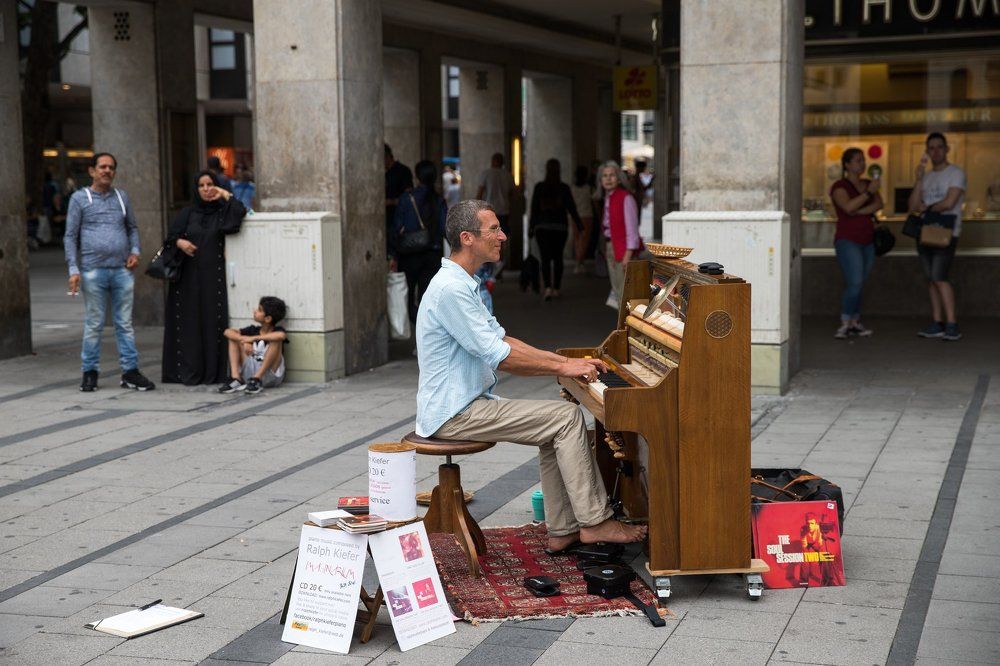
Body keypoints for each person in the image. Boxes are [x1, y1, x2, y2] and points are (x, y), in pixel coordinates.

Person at [415, 199, 647, 553]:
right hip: (454, 413)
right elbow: (502, 357)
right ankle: (596, 522)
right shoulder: (451, 289)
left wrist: (562, 360)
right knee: (567, 418)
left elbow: (503, 338)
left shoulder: (462, 282)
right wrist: (564, 367)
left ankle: (563, 529)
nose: (503, 236)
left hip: (464, 404)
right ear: (467, 238)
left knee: (555, 424)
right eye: (494, 229)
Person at [64, 152, 155, 392]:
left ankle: (130, 372)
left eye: (111, 167)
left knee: (124, 323)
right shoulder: (79, 198)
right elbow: (70, 236)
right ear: (92, 170)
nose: (107, 171)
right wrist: (74, 269)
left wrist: (135, 251)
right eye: (102, 167)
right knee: (94, 323)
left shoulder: (121, 197)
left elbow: (132, 228)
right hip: (93, 271)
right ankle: (90, 372)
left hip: (122, 271)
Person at [162, 171, 247, 385]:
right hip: (187, 280)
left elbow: (239, 214)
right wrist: (180, 243)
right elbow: (170, 239)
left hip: (213, 279)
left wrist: (225, 194)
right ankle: (188, 371)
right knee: (189, 323)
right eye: (202, 185)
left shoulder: (222, 212)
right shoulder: (187, 213)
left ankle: (212, 372)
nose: (206, 189)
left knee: (212, 322)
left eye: (211, 184)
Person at [908, 132, 966, 341]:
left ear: (947, 149)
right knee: (931, 279)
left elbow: (949, 203)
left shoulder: (956, 173)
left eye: (939, 147)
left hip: (946, 233)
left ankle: (952, 324)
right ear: (927, 151)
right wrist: (918, 179)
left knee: (940, 277)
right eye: (931, 148)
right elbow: (913, 206)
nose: (936, 151)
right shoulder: (928, 176)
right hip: (925, 232)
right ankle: (937, 322)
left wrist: (927, 207)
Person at [829, 147, 882, 339]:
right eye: (858, 160)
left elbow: (879, 204)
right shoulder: (839, 187)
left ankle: (855, 321)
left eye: (863, 160)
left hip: (868, 240)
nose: (863, 164)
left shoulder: (867, 183)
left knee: (861, 282)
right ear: (847, 165)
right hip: (847, 240)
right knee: (855, 282)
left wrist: (859, 210)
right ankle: (845, 321)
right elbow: (847, 206)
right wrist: (867, 195)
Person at [389, 160, 447, 324]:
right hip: (433, 255)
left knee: (407, 296)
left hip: (409, 254)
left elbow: (396, 227)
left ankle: (416, 326)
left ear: (417, 177)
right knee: (428, 298)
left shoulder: (407, 198)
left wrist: (393, 254)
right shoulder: (439, 200)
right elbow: (444, 228)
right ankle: (422, 339)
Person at [529, 159, 582, 300]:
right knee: (558, 258)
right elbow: (571, 207)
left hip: (542, 227)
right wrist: (579, 224)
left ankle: (547, 288)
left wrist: (531, 227)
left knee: (545, 258)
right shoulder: (563, 188)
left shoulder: (539, 187)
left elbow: (534, 209)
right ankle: (556, 288)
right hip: (560, 227)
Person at [220, 296, 288, 395]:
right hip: (249, 375)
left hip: (270, 375)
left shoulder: (277, 330)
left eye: (259, 310)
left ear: (268, 318)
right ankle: (236, 378)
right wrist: (243, 341)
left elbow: (281, 336)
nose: (255, 311)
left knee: (276, 340)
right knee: (234, 338)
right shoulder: (252, 330)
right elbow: (227, 332)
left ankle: (257, 378)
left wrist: (252, 339)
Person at [598, 161, 641, 306]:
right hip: (611, 247)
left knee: (625, 293)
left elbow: (632, 229)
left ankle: (626, 327)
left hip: (623, 250)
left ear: (618, 178)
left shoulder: (625, 198)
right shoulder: (608, 198)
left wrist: (628, 254)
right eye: (604, 176)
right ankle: (621, 326)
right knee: (617, 290)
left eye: (612, 175)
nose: (608, 179)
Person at [385, 144, 414, 253]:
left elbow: (409, 196)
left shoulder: (402, 171)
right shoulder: (384, 173)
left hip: (400, 218)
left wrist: (391, 202)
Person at [569, 165, 594, 274]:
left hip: (574, 217)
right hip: (587, 215)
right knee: (584, 240)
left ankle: (579, 262)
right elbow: (594, 202)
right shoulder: (589, 188)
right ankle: (579, 262)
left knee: (577, 239)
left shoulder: (572, 188)